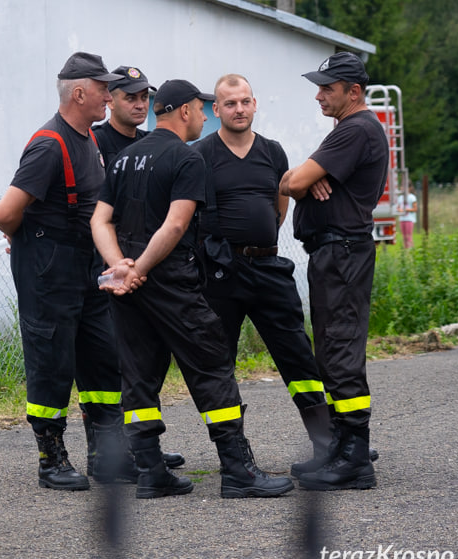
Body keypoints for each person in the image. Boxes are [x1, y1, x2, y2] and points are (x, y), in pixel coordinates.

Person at [91, 79, 294, 500]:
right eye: (201, 109)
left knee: (139, 375)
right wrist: (141, 268)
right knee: (212, 366)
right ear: (184, 111)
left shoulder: (124, 158)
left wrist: (119, 268)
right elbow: (177, 224)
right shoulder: (187, 159)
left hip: (127, 286)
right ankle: (239, 471)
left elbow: (100, 221)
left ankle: (151, 472)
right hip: (169, 280)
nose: (204, 117)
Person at [0, 52, 137, 491]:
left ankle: (106, 456)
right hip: (50, 270)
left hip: (87, 268)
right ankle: (51, 461)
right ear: (80, 92)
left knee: (101, 359)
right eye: (102, 90)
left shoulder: (88, 138)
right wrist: (32, 245)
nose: (109, 99)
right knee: (51, 363)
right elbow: (5, 215)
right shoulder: (49, 144)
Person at [192, 74, 336, 480]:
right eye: (229, 103)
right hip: (220, 274)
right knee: (218, 362)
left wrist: (261, 242)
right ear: (215, 110)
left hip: (268, 268)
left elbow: (279, 205)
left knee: (297, 354)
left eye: (244, 102)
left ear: (254, 104)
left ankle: (328, 443)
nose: (238, 109)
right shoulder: (201, 154)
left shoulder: (273, 151)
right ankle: (235, 459)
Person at [280, 52, 389, 491]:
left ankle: (355, 458)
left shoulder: (356, 129)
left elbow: (295, 182)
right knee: (331, 348)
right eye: (319, 86)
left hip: (342, 253)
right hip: (334, 253)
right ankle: (342, 445)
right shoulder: (349, 131)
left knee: (341, 348)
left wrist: (303, 178)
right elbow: (295, 181)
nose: (319, 94)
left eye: (328, 87)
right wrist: (301, 178)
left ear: (354, 92)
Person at [91, 64, 185, 474]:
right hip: (106, 268)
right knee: (106, 363)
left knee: (143, 364)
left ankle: (142, 450)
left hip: (144, 271)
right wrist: (118, 265)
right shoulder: (93, 141)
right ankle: (106, 455)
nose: (139, 103)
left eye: (144, 96)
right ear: (109, 98)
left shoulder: (151, 144)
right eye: (130, 96)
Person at [92, 66, 155, 170]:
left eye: (144, 97)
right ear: (110, 102)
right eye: (131, 98)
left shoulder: (150, 142)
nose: (140, 106)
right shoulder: (95, 141)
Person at [398, 184, 417, 248]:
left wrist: (406, 210)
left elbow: (415, 209)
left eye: (403, 186)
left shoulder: (412, 197)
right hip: (402, 219)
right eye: (401, 186)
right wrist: (400, 210)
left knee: (408, 236)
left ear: (409, 188)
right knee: (404, 236)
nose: (402, 187)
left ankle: (410, 250)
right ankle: (405, 251)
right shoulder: (400, 197)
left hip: (409, 219)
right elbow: (398, 208)